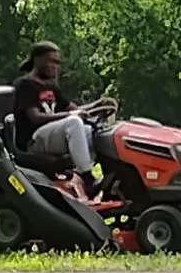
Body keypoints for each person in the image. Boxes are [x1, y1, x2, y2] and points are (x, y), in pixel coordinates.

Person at [12, 41, 113, 182]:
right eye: (51, 61)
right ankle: (86, 176)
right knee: (74, 122)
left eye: (58, 63)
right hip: (34, 141)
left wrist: (98, 104)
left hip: (52, 137)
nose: (55, 67)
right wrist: (71, 115)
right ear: (38, 59)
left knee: (96, 131)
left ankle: (110, 175)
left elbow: (74, 109)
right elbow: (35, 117)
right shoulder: (24, 84)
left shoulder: (51, 86)